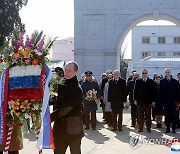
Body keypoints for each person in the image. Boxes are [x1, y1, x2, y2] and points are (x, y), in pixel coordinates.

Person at [51, 61, 84, 154]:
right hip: (59, 129)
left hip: (73, 129)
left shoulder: (77, 89)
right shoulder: (60, 84)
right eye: (65, 70)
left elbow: (66, 109)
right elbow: (54, 98)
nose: (66, 73)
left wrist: (49, 118)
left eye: (69, 71)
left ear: (76, 72)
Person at [160, 68, 179, 133]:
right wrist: (162, 101)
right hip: (166, 102)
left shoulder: (175, 81)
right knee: (167, 115)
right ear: (165, 73)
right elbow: (160, 92)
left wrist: (178, 101)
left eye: (168, 72)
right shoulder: (162, 81)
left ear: (170, 73)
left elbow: (178, 92)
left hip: (173, 102)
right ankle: (167, 128)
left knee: (174, 115)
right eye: (166, 72)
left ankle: (173, 129)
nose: (167, 73)